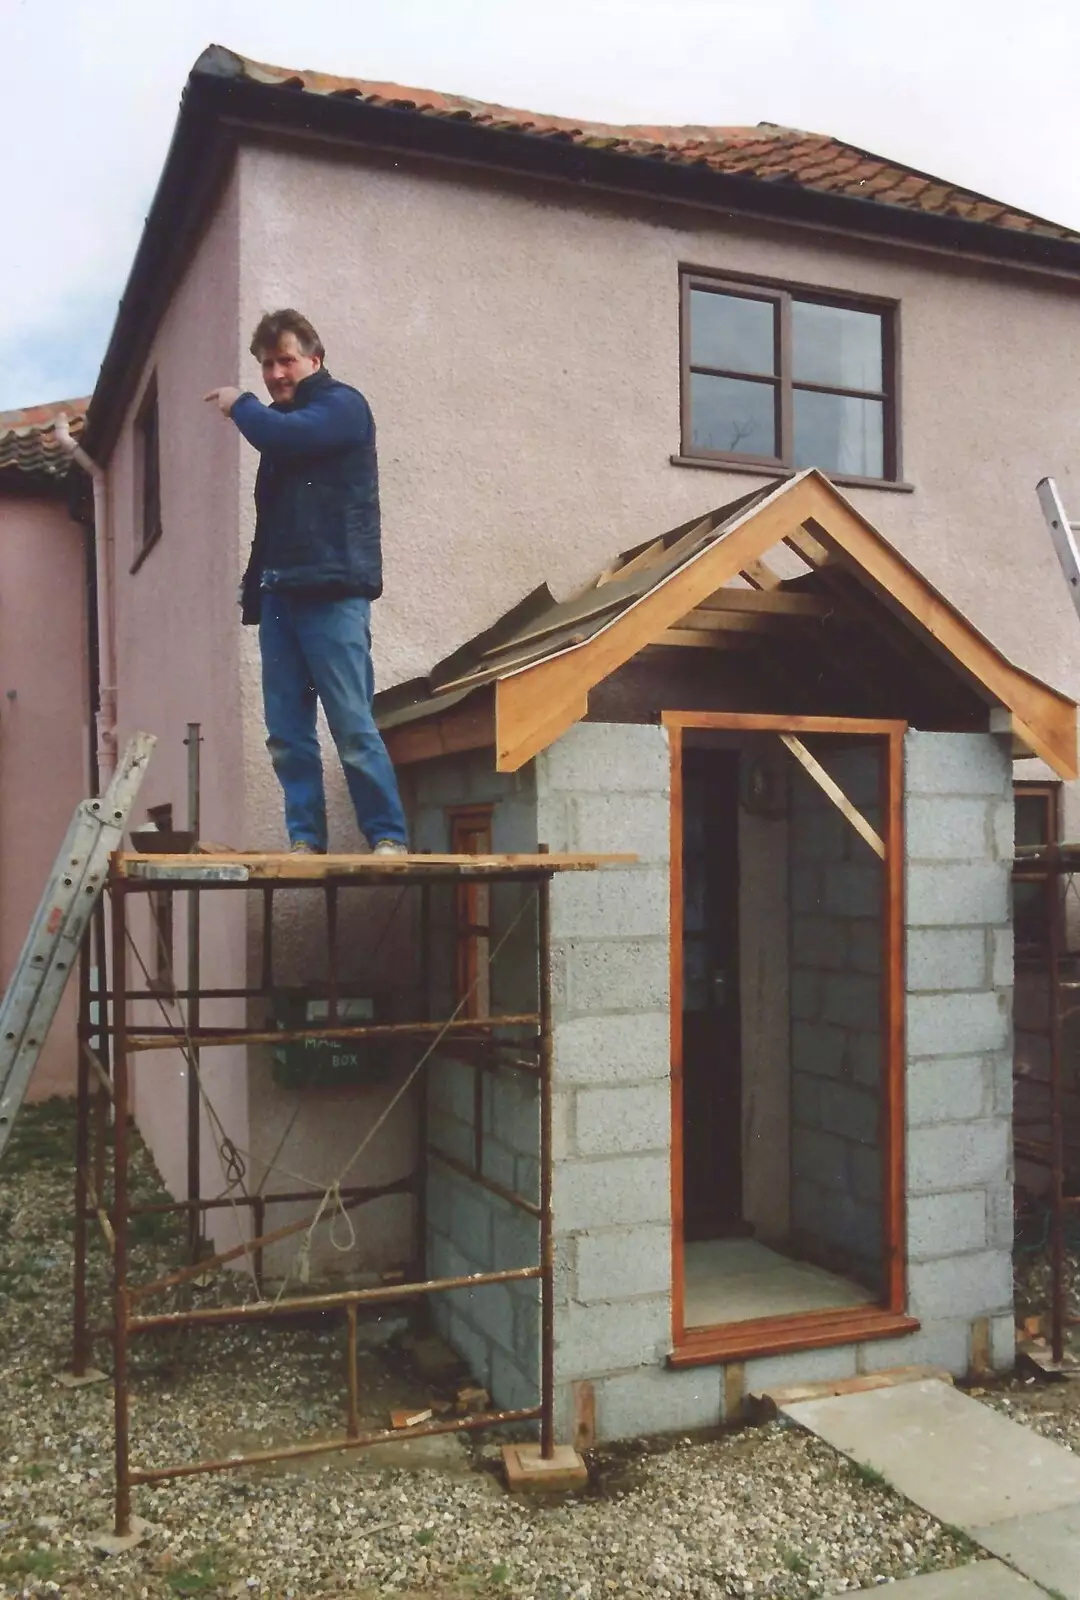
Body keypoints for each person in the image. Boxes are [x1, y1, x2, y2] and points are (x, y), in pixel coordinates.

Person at [205, 310, 408, 857]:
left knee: (350, 721)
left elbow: (282, 432)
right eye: (267, 364)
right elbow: (271, 524)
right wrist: (255, 589)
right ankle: (305, 839)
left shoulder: (341, 406)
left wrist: (237, 401)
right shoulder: (282, 426)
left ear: (314, 360)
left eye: (285, 360)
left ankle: (388, 835)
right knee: (287, 732)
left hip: (332, 591)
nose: (275, 373)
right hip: (280, 593)